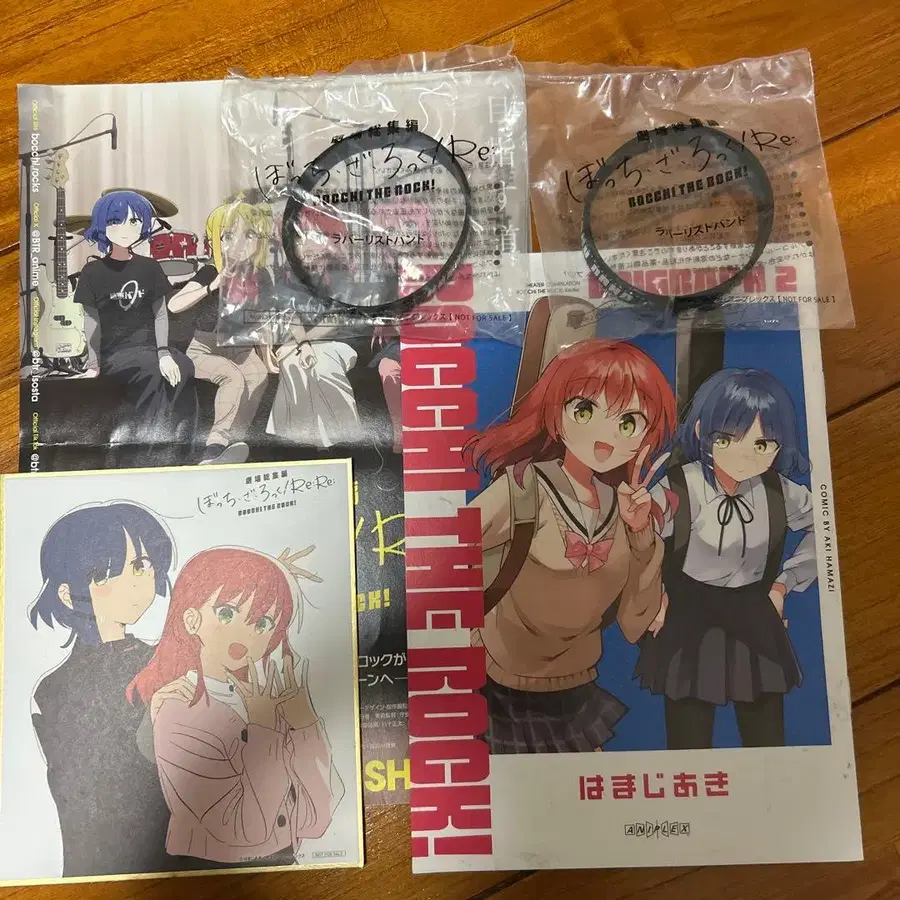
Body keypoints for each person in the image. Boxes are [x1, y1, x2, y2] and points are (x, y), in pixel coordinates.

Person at [463, 339, 675, 754]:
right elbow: (444, 554)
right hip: (499, 681)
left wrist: (641, 536)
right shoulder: (524, 488)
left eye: (628, 423)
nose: (604, 437)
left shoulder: (626, 508)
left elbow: (635, 620)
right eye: (585, 411)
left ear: (646, 438)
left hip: (576, 683)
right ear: (555, 415)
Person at [635, 368, 816, 749]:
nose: (744, 455)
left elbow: (825, 526)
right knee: (688, 742)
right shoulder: (681, 485)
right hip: (689, 617)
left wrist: (784, 585)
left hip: (754, 615)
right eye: (728, 438)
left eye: (763, 444)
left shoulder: (780, 491)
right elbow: (639, 543)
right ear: (703, 432)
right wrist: (653, 596)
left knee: (767, 739)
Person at [128, 547, 342, 866]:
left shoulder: (268, 700)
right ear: (192, 619)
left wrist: (304, 723)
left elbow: (317, 819)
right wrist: (264, 728)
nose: (245, 632)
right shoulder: (178, 710)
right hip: (209, 873)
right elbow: (244, 830)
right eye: (227, 614)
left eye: (262, 622)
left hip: (283, 868)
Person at [29, 502, 176, 877]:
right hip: (103, 859)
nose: (135, 582)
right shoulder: (53, 690)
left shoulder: (161, 661)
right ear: (67, 594)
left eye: (141, 565)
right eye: (106, 574)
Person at [75, 190, 197, 464]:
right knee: (151, 371)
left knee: (185, 365)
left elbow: (160, 314)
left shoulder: (150, 267)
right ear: (102, 225)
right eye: (116, 221)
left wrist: (164, 352)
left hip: (150, 349)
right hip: (115, 353)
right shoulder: (92, 272)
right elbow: (90, 321)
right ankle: (145, 454)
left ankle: (184, 450)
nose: (126, 229)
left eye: (134, 221)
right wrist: (93, 364)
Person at [168, 200, 272, 465]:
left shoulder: (260, 276)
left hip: (241, 346)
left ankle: (235, 442)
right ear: (217, 240)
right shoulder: (210, 271)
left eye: (249, 235)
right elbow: (174, 304)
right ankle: (214, 447)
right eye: (229, 235)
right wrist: (212, 286)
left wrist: (268, 356)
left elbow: (262, 320)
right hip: (204, 347)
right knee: (232, 376)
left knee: (259, 375)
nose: (239, 243)